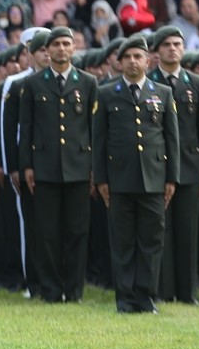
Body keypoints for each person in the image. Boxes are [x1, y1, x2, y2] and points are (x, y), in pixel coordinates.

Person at [92, 35, 180, 314]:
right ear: (119, 62)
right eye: (127, 57)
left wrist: (171, 178)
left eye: (138, 56)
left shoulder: (162, 93)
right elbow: (99, 140)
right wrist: (101, 179)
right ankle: (126, 297)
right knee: (123, 240)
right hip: (119, 179)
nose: (133, 61)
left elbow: (171, 139)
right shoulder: (106, 93)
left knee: (152, 240)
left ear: (148, 60)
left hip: (154, 177)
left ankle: (146, 296)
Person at [17, 26, 97, 303]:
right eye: (56, 45)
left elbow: (93, 128)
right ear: (47, 50)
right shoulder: (33, 84)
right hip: (45, 167)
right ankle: (51, 289)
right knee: (47, 232)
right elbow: (25, 129)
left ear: (74, 48)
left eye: (66, 44)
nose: (61, 49)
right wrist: (26, 165)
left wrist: (94, 168)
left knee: (77, 231)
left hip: (78, 167)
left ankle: (74, 290)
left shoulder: (88, 83)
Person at [147, 26, 199, 305]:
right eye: (167, 45)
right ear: (157, 51)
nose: (172, 49)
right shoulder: (148, 81)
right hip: (155, 166)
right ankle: (163, 290)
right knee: (161, 229)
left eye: (177, 44)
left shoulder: (196, 83)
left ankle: (187, 292)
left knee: (187, 229)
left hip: (188, 164)